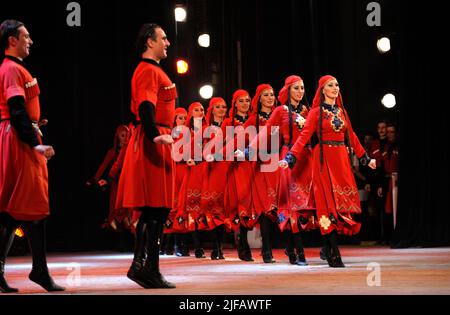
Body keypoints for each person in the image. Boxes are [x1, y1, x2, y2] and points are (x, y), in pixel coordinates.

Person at [279, 75, 376, 267]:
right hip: (323, 161)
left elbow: (352, 136)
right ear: (322, 90)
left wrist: (365, 158)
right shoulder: (316, 112)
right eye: (330, 85)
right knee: (326, 204)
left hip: (340, 159)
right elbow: (304, 137)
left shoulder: (342, 112)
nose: (335, 88)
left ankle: (327, 247)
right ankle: (334, 252)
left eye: (337, 85)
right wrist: (290, 157)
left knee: (341, 205)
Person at [0, 19, 65, 293]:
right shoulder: (12, 69)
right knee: (28, 208)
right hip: (18, 142)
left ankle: (36, 269)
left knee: (16, 210)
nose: (30, 41)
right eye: (26, 36)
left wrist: (35, 126)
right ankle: (39, 270)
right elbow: (16, 109)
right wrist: (33, 142)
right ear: (12, 40)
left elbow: (20, 110)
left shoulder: (12, 68)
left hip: (20, 137)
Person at [115, 23, 176, 289]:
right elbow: (145, 106)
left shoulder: (153, 70)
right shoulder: (148, 71)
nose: (167, 43)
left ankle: (144, 266)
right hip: (153, 140)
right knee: (155, 208)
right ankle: (145, 267)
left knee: (156, 209)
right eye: (163, 38)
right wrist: (154, 135)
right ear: (149, 42)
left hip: (158, 138)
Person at [377, 123, 398, 245]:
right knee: (387, 211)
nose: (389, 134)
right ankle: (388, 237)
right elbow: (381, 167)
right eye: (388, 132)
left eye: (392, 132)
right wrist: (380, 185)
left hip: (397, 180)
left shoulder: (398, 146)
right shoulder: (385, 148)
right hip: (387, 181)